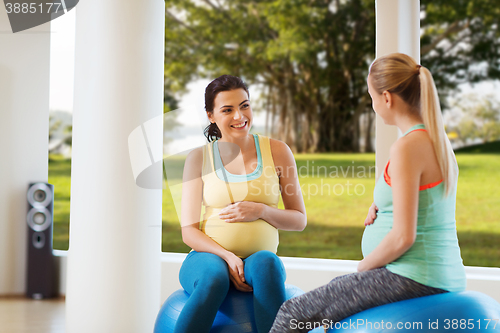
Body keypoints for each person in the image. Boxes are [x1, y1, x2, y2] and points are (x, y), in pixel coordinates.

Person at [269, 53, 466, 333]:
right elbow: (426, 200)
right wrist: (382, 204)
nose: (372, 105)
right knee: (333, 298)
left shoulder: (407, 147)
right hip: (435, 272)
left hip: (412, 276)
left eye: (371, 97)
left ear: (386, 98)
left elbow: (403, 237)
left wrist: (363, 268)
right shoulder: (436, 139)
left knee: (293, 313)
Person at [175, 74, 307, 333]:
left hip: (259, 256)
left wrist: (261, 210)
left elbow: (299, 219)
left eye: (244, 105)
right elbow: (188, 230)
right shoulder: (198, 158)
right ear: (211, 115)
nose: (239, 116)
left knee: (267, 265)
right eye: (227, 110)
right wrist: (227, 257)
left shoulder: (278, 151)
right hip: (208, 257)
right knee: (215, 278)